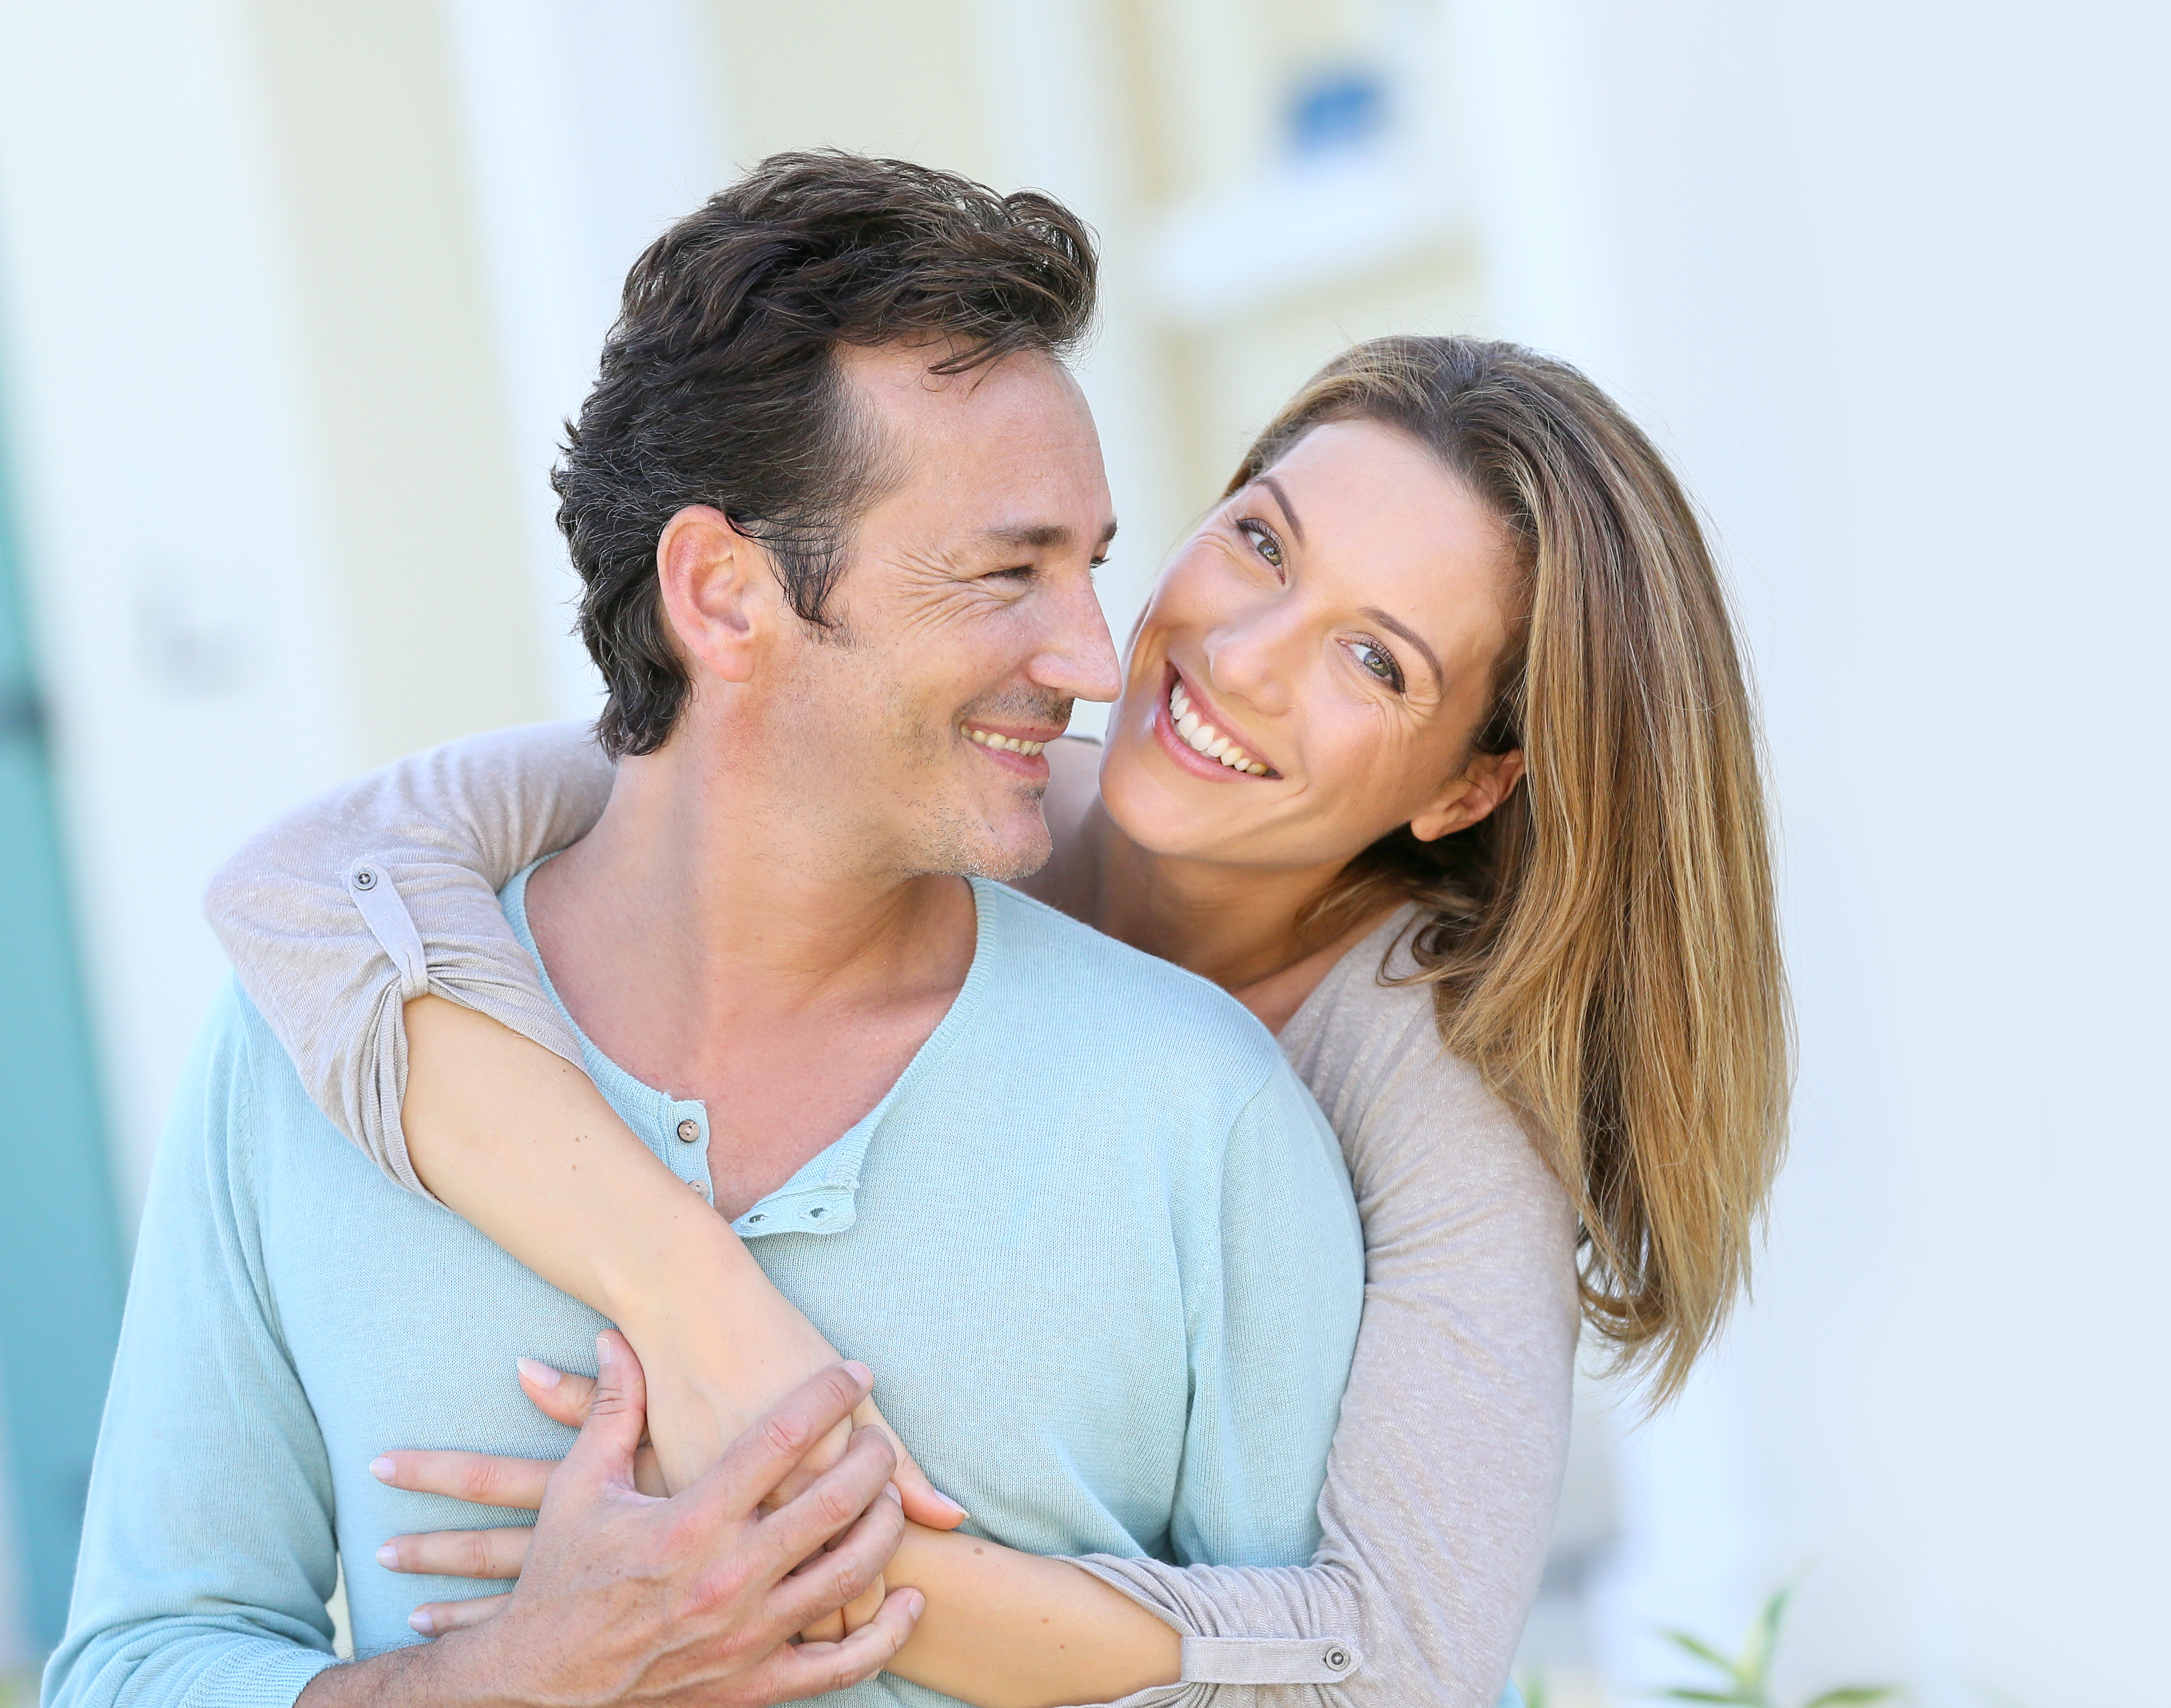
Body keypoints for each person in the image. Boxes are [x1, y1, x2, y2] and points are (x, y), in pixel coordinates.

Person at [196, 316, 1794, 1707]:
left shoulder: (1429, 1097)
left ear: (1469, 785)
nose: (1236, 658)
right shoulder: (949, 798)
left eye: (1372, 662)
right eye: (1260, 542)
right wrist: (697, 1306)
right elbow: (314, 883)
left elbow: (1396, 1670)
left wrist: (750, 1546)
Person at [43, 155, 1369, 1708]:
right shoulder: (313, 1063)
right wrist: (526, 1678)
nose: (1090, 657)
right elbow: (131, 1663)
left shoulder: (1200, 1118)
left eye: (1090, 567)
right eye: (1008, 572)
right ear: (723, 594)